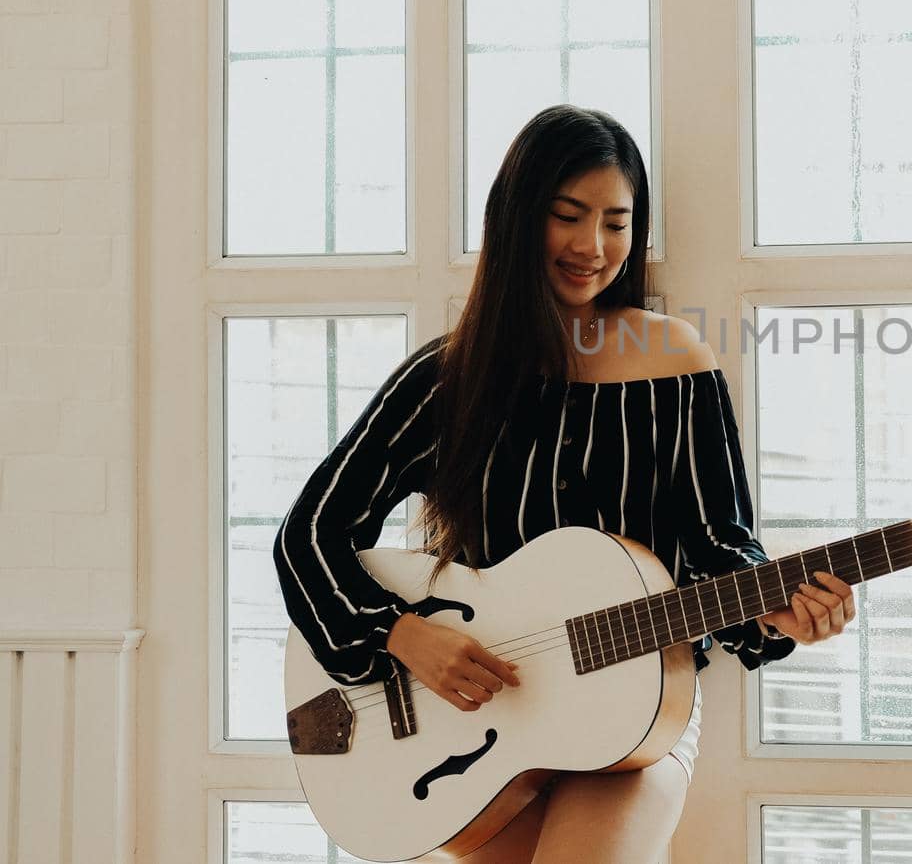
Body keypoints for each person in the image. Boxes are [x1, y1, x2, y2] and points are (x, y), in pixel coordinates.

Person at [273, 104, 857, 863]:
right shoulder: (447, 377)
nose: (594, 247)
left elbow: (720, 545)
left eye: (617, 222)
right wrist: (400, 634)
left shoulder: (676, 362)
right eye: (569, 216)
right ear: (519, 220)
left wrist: (780, 611)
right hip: (474, 730)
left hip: (634, 716)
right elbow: (308, 535)